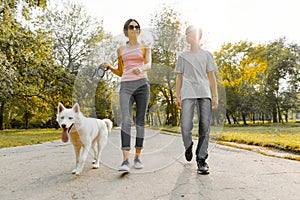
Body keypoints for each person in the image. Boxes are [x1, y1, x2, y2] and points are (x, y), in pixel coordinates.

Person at [102, 19, 151, 172]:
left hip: (142, 85)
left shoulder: (145, 47)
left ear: (139, 30)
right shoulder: (121, 50)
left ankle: (137, 157)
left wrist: (141, 68)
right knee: (126, 120)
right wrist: (109, 67)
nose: (134, 29)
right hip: (126, 86)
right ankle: (125, 161)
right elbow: (121, 72)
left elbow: (149, 64)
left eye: (137, 27)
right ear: (126, 31)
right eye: (131, 27)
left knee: (140, 121)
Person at [174, 25, 218, 174]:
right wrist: (177, 95)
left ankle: (201, 159)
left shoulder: (207, 55)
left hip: (204, 93)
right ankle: (188, 145)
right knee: (185, 126)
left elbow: (212, 77)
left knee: (204, 126)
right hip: (187, 93)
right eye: (187, 34)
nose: (189, 36)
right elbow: (179, 77)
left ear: (199, 36)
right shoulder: (183, 56)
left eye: (192, 34)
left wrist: (215, 96)